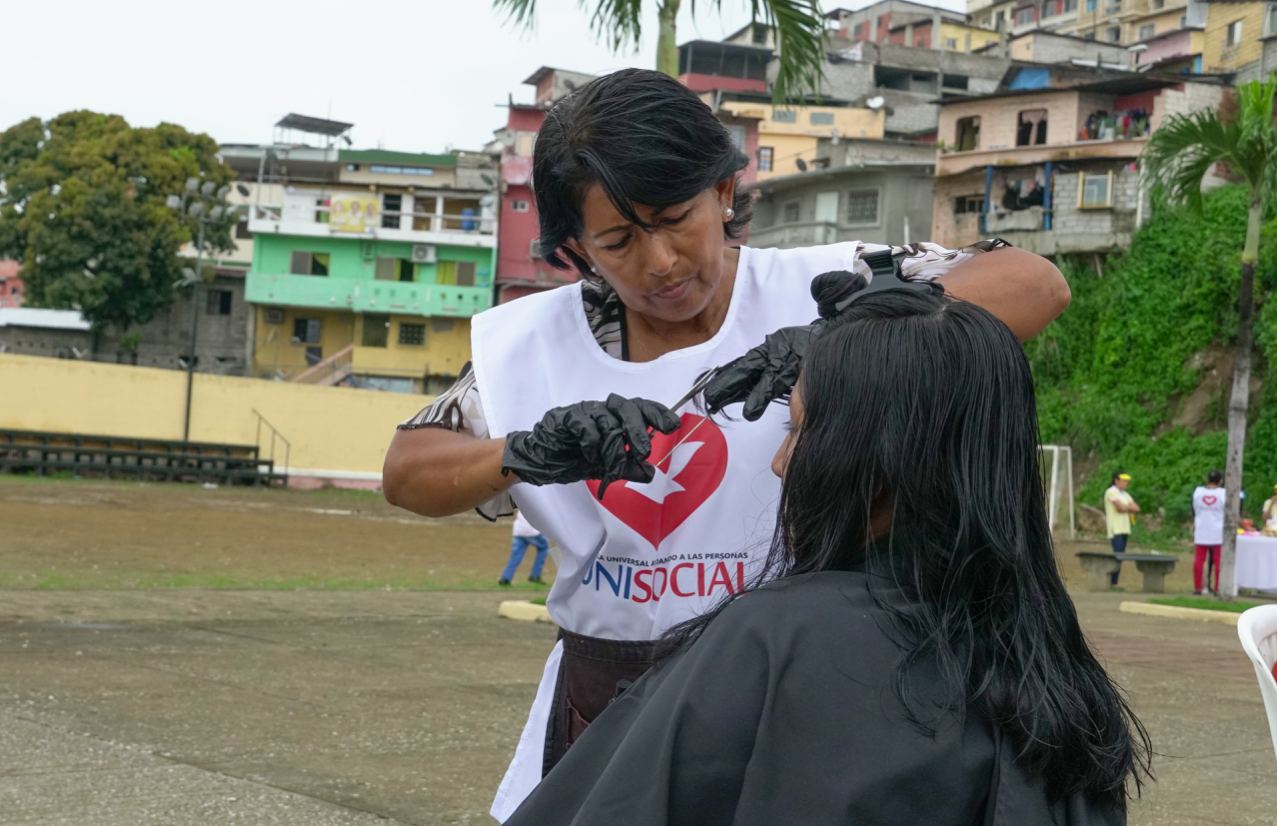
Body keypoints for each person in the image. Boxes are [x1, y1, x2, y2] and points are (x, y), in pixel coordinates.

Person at [381, 69, 1071, 821]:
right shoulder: (530, 345)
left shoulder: (829, 284)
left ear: (723, 191)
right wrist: (527, 450)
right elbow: (408, 470)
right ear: (575, 247)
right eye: (617, 240)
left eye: (676, 217)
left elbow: (1033, 285)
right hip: (606, 696)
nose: (662, 264)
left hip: (808, 682)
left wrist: (833, 340)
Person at [506, 290, 1148, 826]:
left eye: (797, 429)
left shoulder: (776, 638)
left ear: (875, 454)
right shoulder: (1057, 675)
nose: (783, 463)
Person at [1191, 471, 1225, 596]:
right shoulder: (1223, 493)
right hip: (1217, 530)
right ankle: (1217, 588)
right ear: (1220, 481)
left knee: (1199, 560)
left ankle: (1198, 587)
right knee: (1218, 561)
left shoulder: (1198, 492)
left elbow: (1194, 509)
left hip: (1201, 529)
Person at [1104, 472, 1140, 587]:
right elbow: (1119, 508)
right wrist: (1128, 507)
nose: (1126, 483)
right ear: (1116, 481)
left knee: (1121, 555)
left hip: (1125, 528)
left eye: (1127, 481)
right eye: (1124, 481)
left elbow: (1136, 508)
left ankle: (1114, 582)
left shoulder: (1125, 494)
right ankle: (1112, 581)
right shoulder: (1111, 492)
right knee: (1117, 554)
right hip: (1115, 528)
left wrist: (1127, 507)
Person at [500, 511, 550, 586]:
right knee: (544, 548)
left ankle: (505, 578)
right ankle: (535, 576)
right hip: (531, 531)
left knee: (516, 556)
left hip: (518, 530)